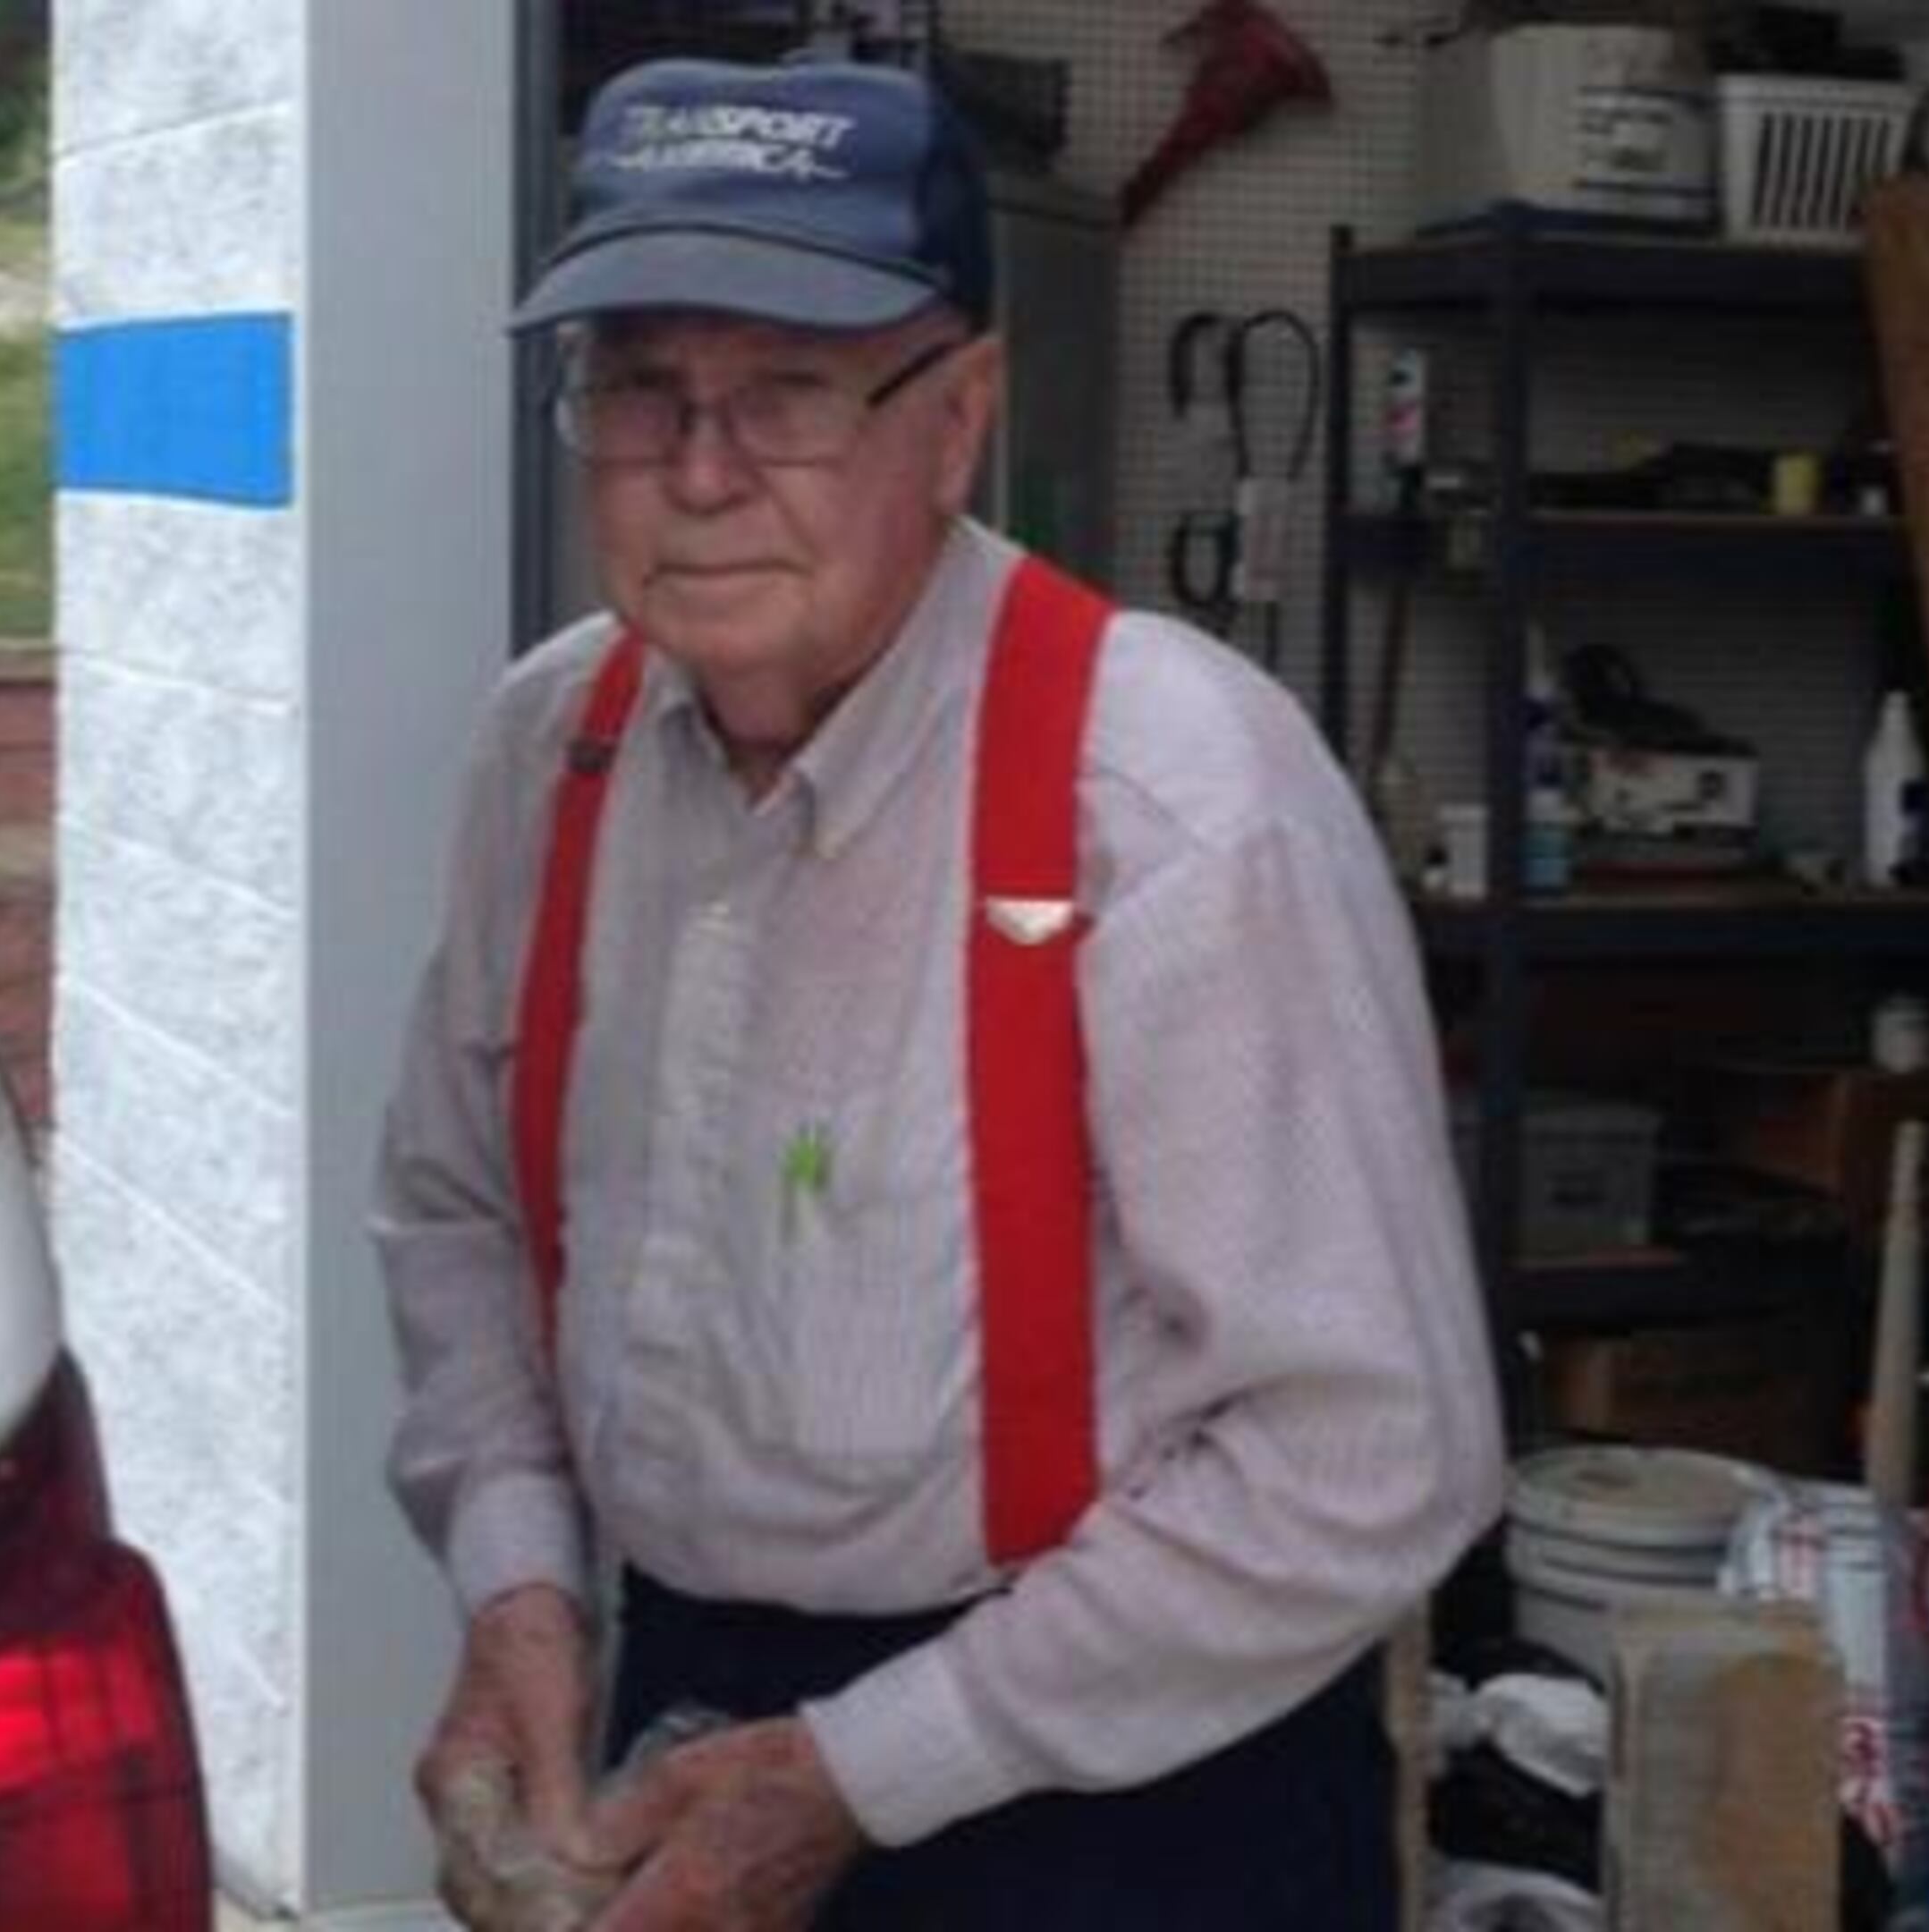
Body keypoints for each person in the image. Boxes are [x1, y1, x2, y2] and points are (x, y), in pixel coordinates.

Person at [375, 54, 1504, 1932]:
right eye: (641, 390)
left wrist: (866, 1769)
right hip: (693, 1704)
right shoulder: (548, 747)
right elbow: (456, 1204)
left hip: (1130, 1780)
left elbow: (1372, 1450)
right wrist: (516, 1582)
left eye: (790, 393)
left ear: (959, 416)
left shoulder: (1167, 795)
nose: (704, 470)